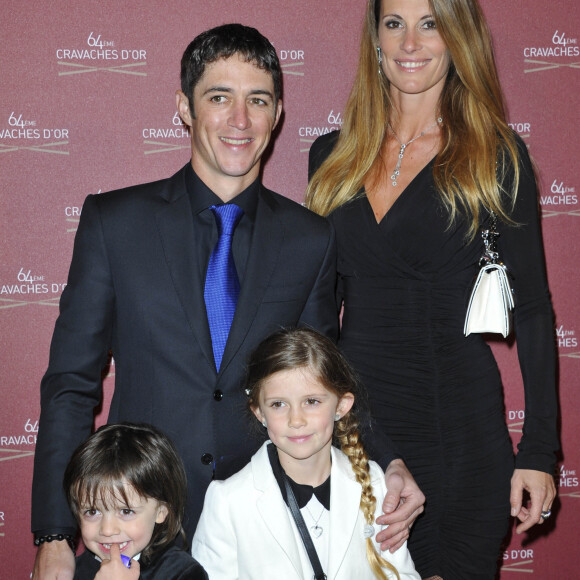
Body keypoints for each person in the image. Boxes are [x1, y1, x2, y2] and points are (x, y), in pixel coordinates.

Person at [31, 23, 424, 580]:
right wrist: (52, 533)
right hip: (138, 533)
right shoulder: (114, 224)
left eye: (257, 101)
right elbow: (71, 384)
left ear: (278, 114)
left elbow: (325, 381)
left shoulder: (311, 238)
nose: (239, 121)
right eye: (219, 97)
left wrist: (391, 461)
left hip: (264, 528)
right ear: (185, 109)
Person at [306, 0, 559, 578]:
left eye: (431, 24)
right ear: (377, 39)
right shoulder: (332, 156)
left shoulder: (494, 157)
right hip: (357, 429)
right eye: (394, 23)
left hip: (459, 431)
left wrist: (540, 451)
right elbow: (319, 316)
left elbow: (537, 312)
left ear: (458, 40)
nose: (410, 42)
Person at [192, 327, 420, 579]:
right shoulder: (227, 502)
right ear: (259, 412)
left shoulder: (375, 482)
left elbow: (403, 574)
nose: (296, 420)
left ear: (341, 406)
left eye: (311, 401)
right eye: (278, 404)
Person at [63, 423, 208, 580]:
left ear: (160, 512)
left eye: (126, 511)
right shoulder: (70, 572)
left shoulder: (183, 574)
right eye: (92, 512)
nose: (107, 530)